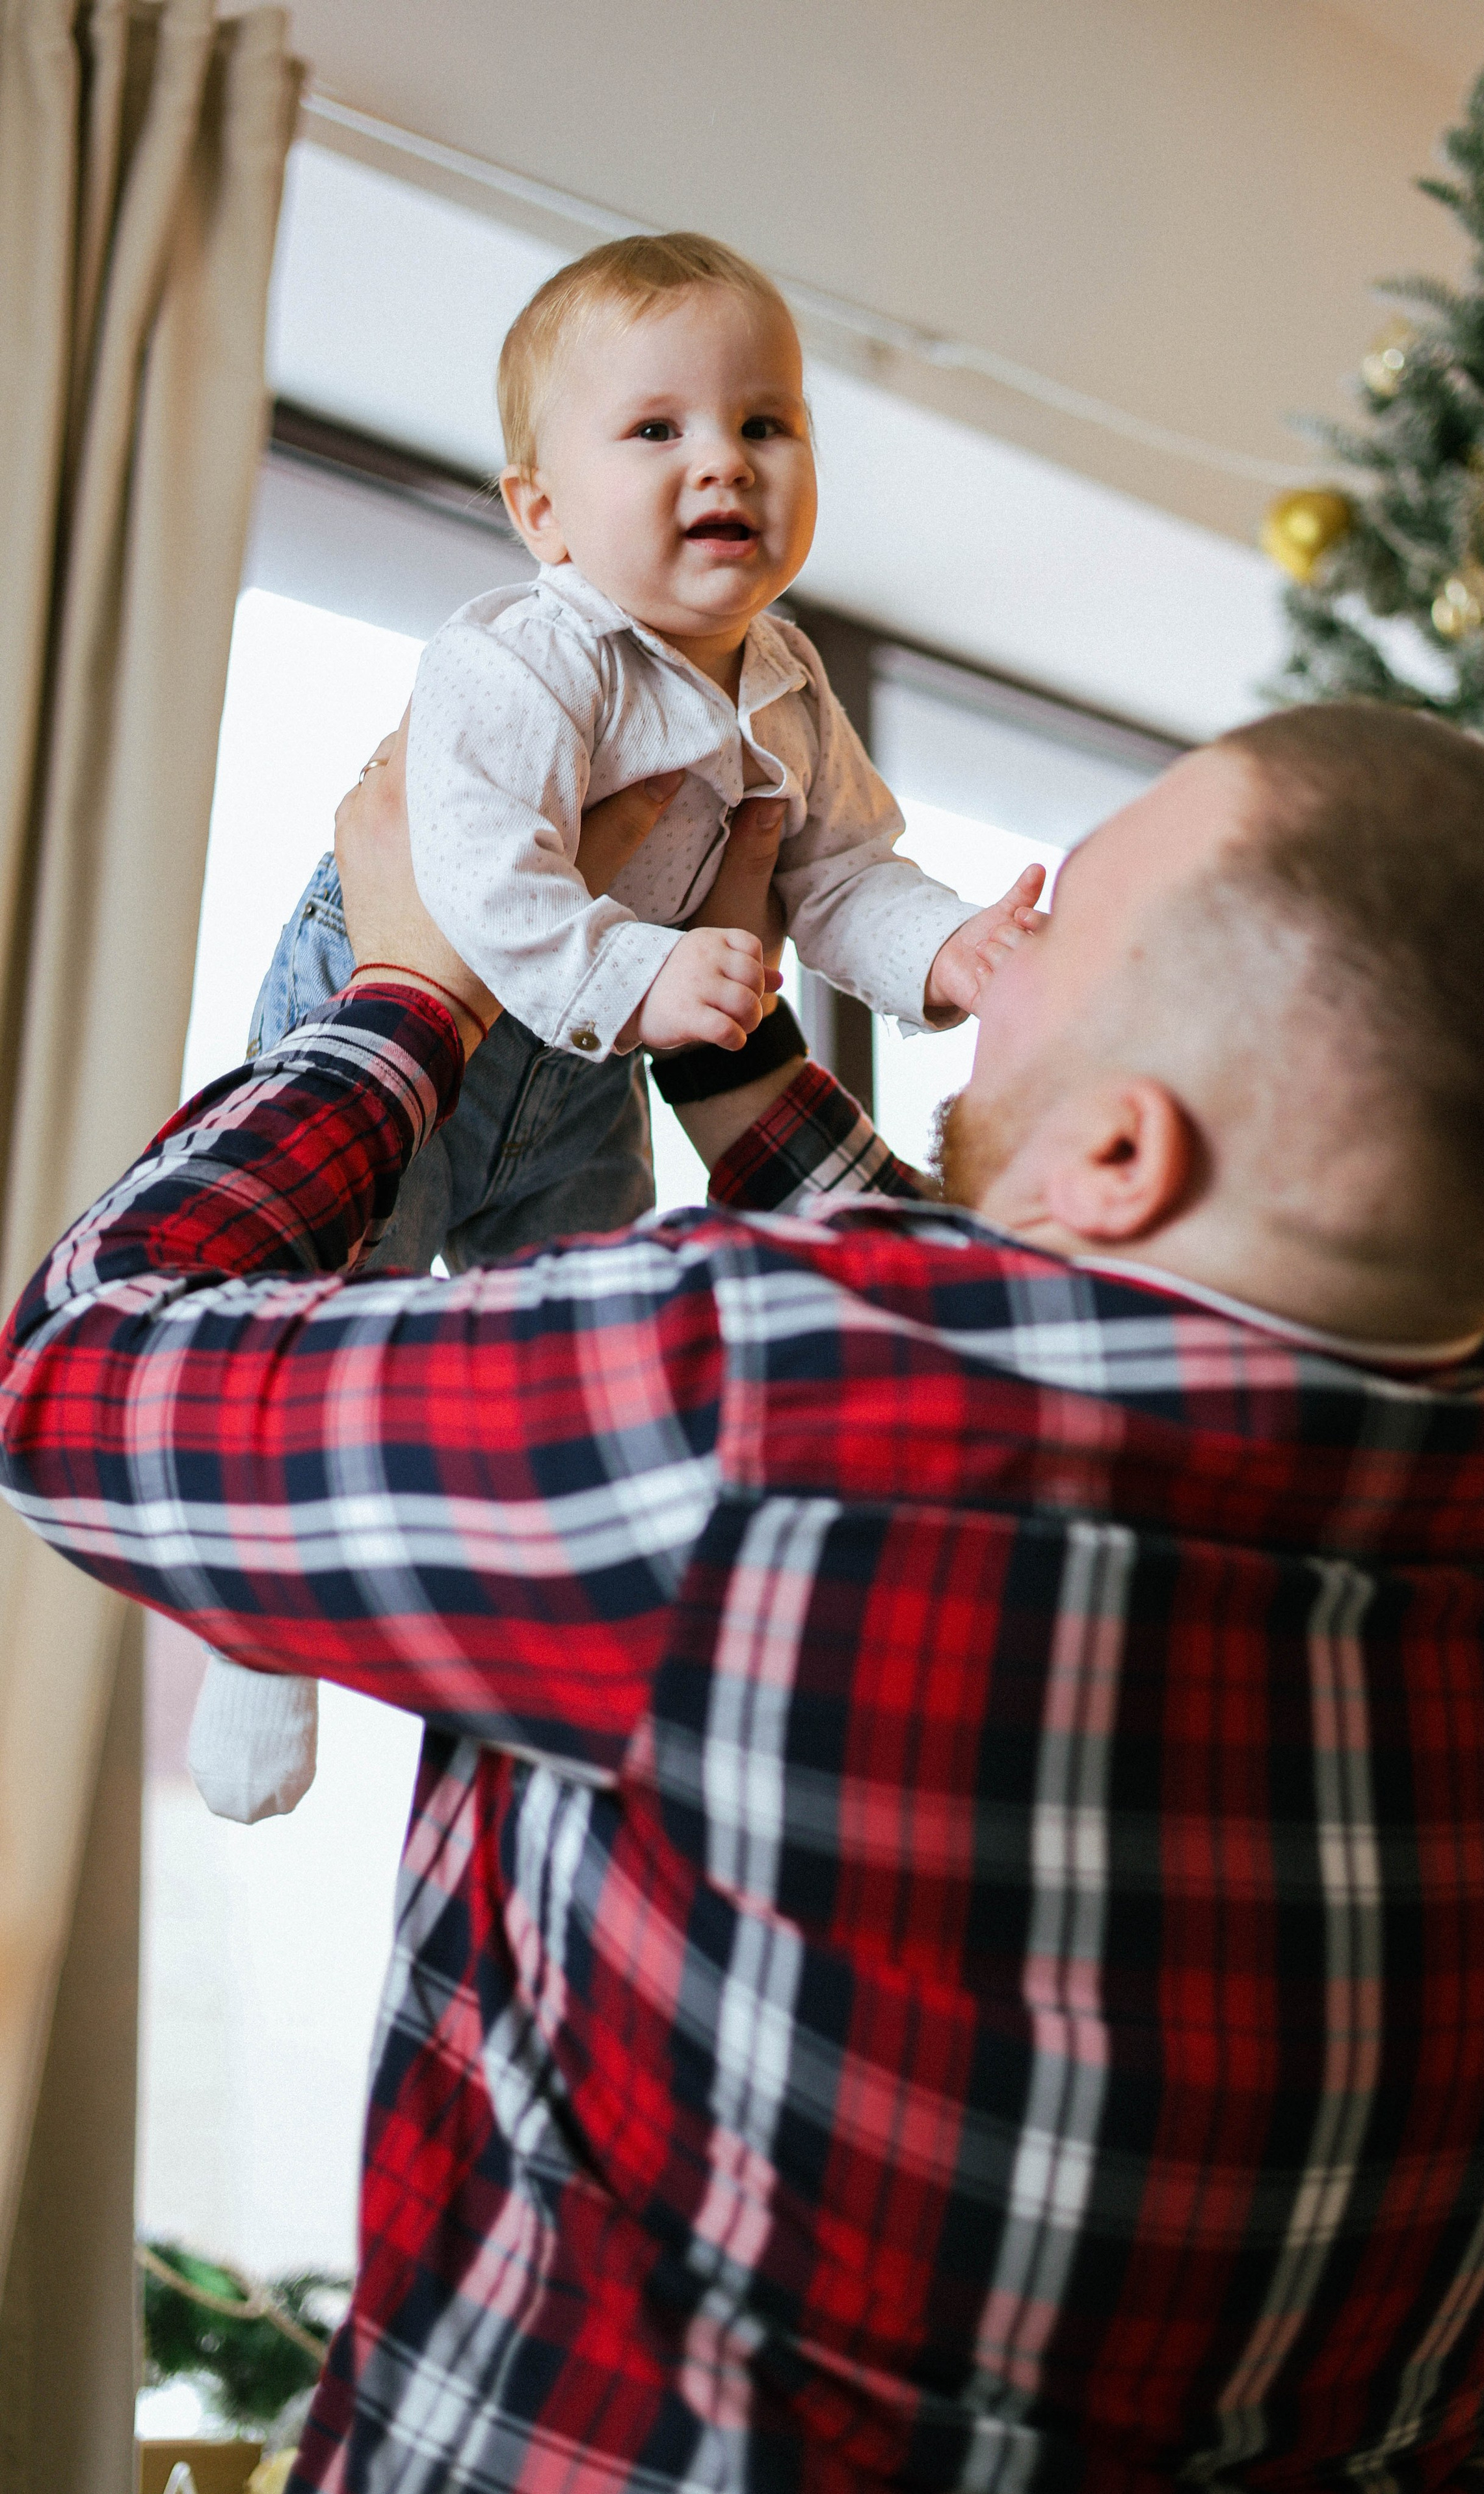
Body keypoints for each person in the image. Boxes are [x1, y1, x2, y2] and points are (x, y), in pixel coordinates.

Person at [3, 701, 1484, 2494]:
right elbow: (1081, 1343)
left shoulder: (769, 1419)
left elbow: (83, 1380)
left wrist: (403, 994)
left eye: (1058, 921)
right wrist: (735, 1072)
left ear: (1120, 1152)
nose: (1003, 936)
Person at [189, 228, 1040, 1827]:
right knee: (342, 1299)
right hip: (431, 1015)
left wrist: (947, 957)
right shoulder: (525, 653)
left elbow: (842, 873)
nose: (720, 459)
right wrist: (644, 981)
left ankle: (535, 1593)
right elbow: (468, 875)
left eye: (763, 423)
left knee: (578, 1313)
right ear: (541, 513)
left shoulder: (784, 679)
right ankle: (260, 1616)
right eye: (655, 430)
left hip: (590, 1062)